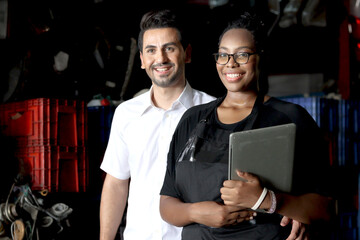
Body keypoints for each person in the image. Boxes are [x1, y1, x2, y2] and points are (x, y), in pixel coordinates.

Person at [159, 11, 334, 239]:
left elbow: (326, 209)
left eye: (242, 55)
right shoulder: (192, 120)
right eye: (223, 55)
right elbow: (166, 203)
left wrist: (267, 200)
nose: (230, 64)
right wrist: (197, 212)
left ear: (260, 57)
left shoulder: (290, 118)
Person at [99, 9, 216, 240]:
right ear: (142, 60)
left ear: (187, 53)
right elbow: (116, 184)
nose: (160, 59)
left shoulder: (214, 112)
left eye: (169, 48)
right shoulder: (126, 114)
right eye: (151, 50)